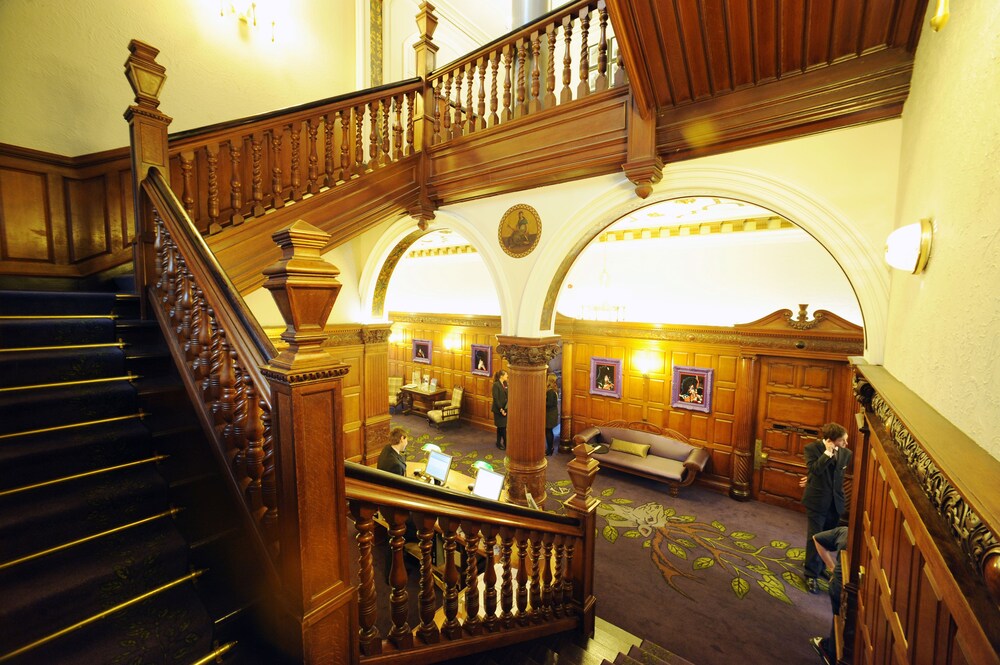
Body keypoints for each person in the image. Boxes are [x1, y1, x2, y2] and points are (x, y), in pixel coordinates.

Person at [802, 422, 852, 593]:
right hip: (816, 501)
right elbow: (815, 470)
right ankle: (810, 575)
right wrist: (827, 453)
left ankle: (820, 566)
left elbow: (838, 477)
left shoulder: (846, 454)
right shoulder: (812, 449)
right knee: (815, 536)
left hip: (835, 503)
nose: (846, 444)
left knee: (828, 537)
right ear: (831, 441)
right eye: (843, 441)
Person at [809, 525, 848, 665]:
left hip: (837, 586)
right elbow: (816, 537)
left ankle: (830, 650)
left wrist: (832, 568)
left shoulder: (845, 532)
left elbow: (818, 539)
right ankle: (831, 654)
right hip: (841, 589)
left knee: (840, 622)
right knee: (842, 624)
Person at [492, 370, 508, 450]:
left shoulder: (505, 384)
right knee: (502, 427)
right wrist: (501, 409)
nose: (507, 376)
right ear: (501, 376)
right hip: (498, 410)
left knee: (501, 427)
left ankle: (498, 443)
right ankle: (506, 444)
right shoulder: (496, 385)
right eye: (506, 375)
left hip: (505, 409)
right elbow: (496, 399)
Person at [545, 373, 559, 456]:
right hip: (552, 413)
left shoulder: (550, 391)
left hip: (550, 414)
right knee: (549, 431)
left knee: (548, 431)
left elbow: (549, 403)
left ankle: (549, 449)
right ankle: (550, 448)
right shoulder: (555, 389)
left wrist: (542, 400)